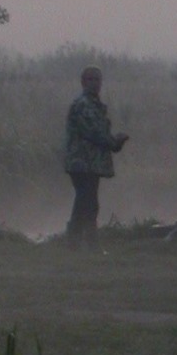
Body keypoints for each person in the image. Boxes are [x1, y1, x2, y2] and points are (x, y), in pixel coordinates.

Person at [63, 66, 128, 242]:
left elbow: (98, 133)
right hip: (82, 162)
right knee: (87, 202)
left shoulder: (93, 104)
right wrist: (115, 142)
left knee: (87, 202)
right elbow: (95, 133)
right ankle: (83, 241)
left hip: (89, 162)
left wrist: (115, 142)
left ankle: (79, 241)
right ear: (83, 82)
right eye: (90, 80)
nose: (94, 83)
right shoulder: (83, 104)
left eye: (97, 80)